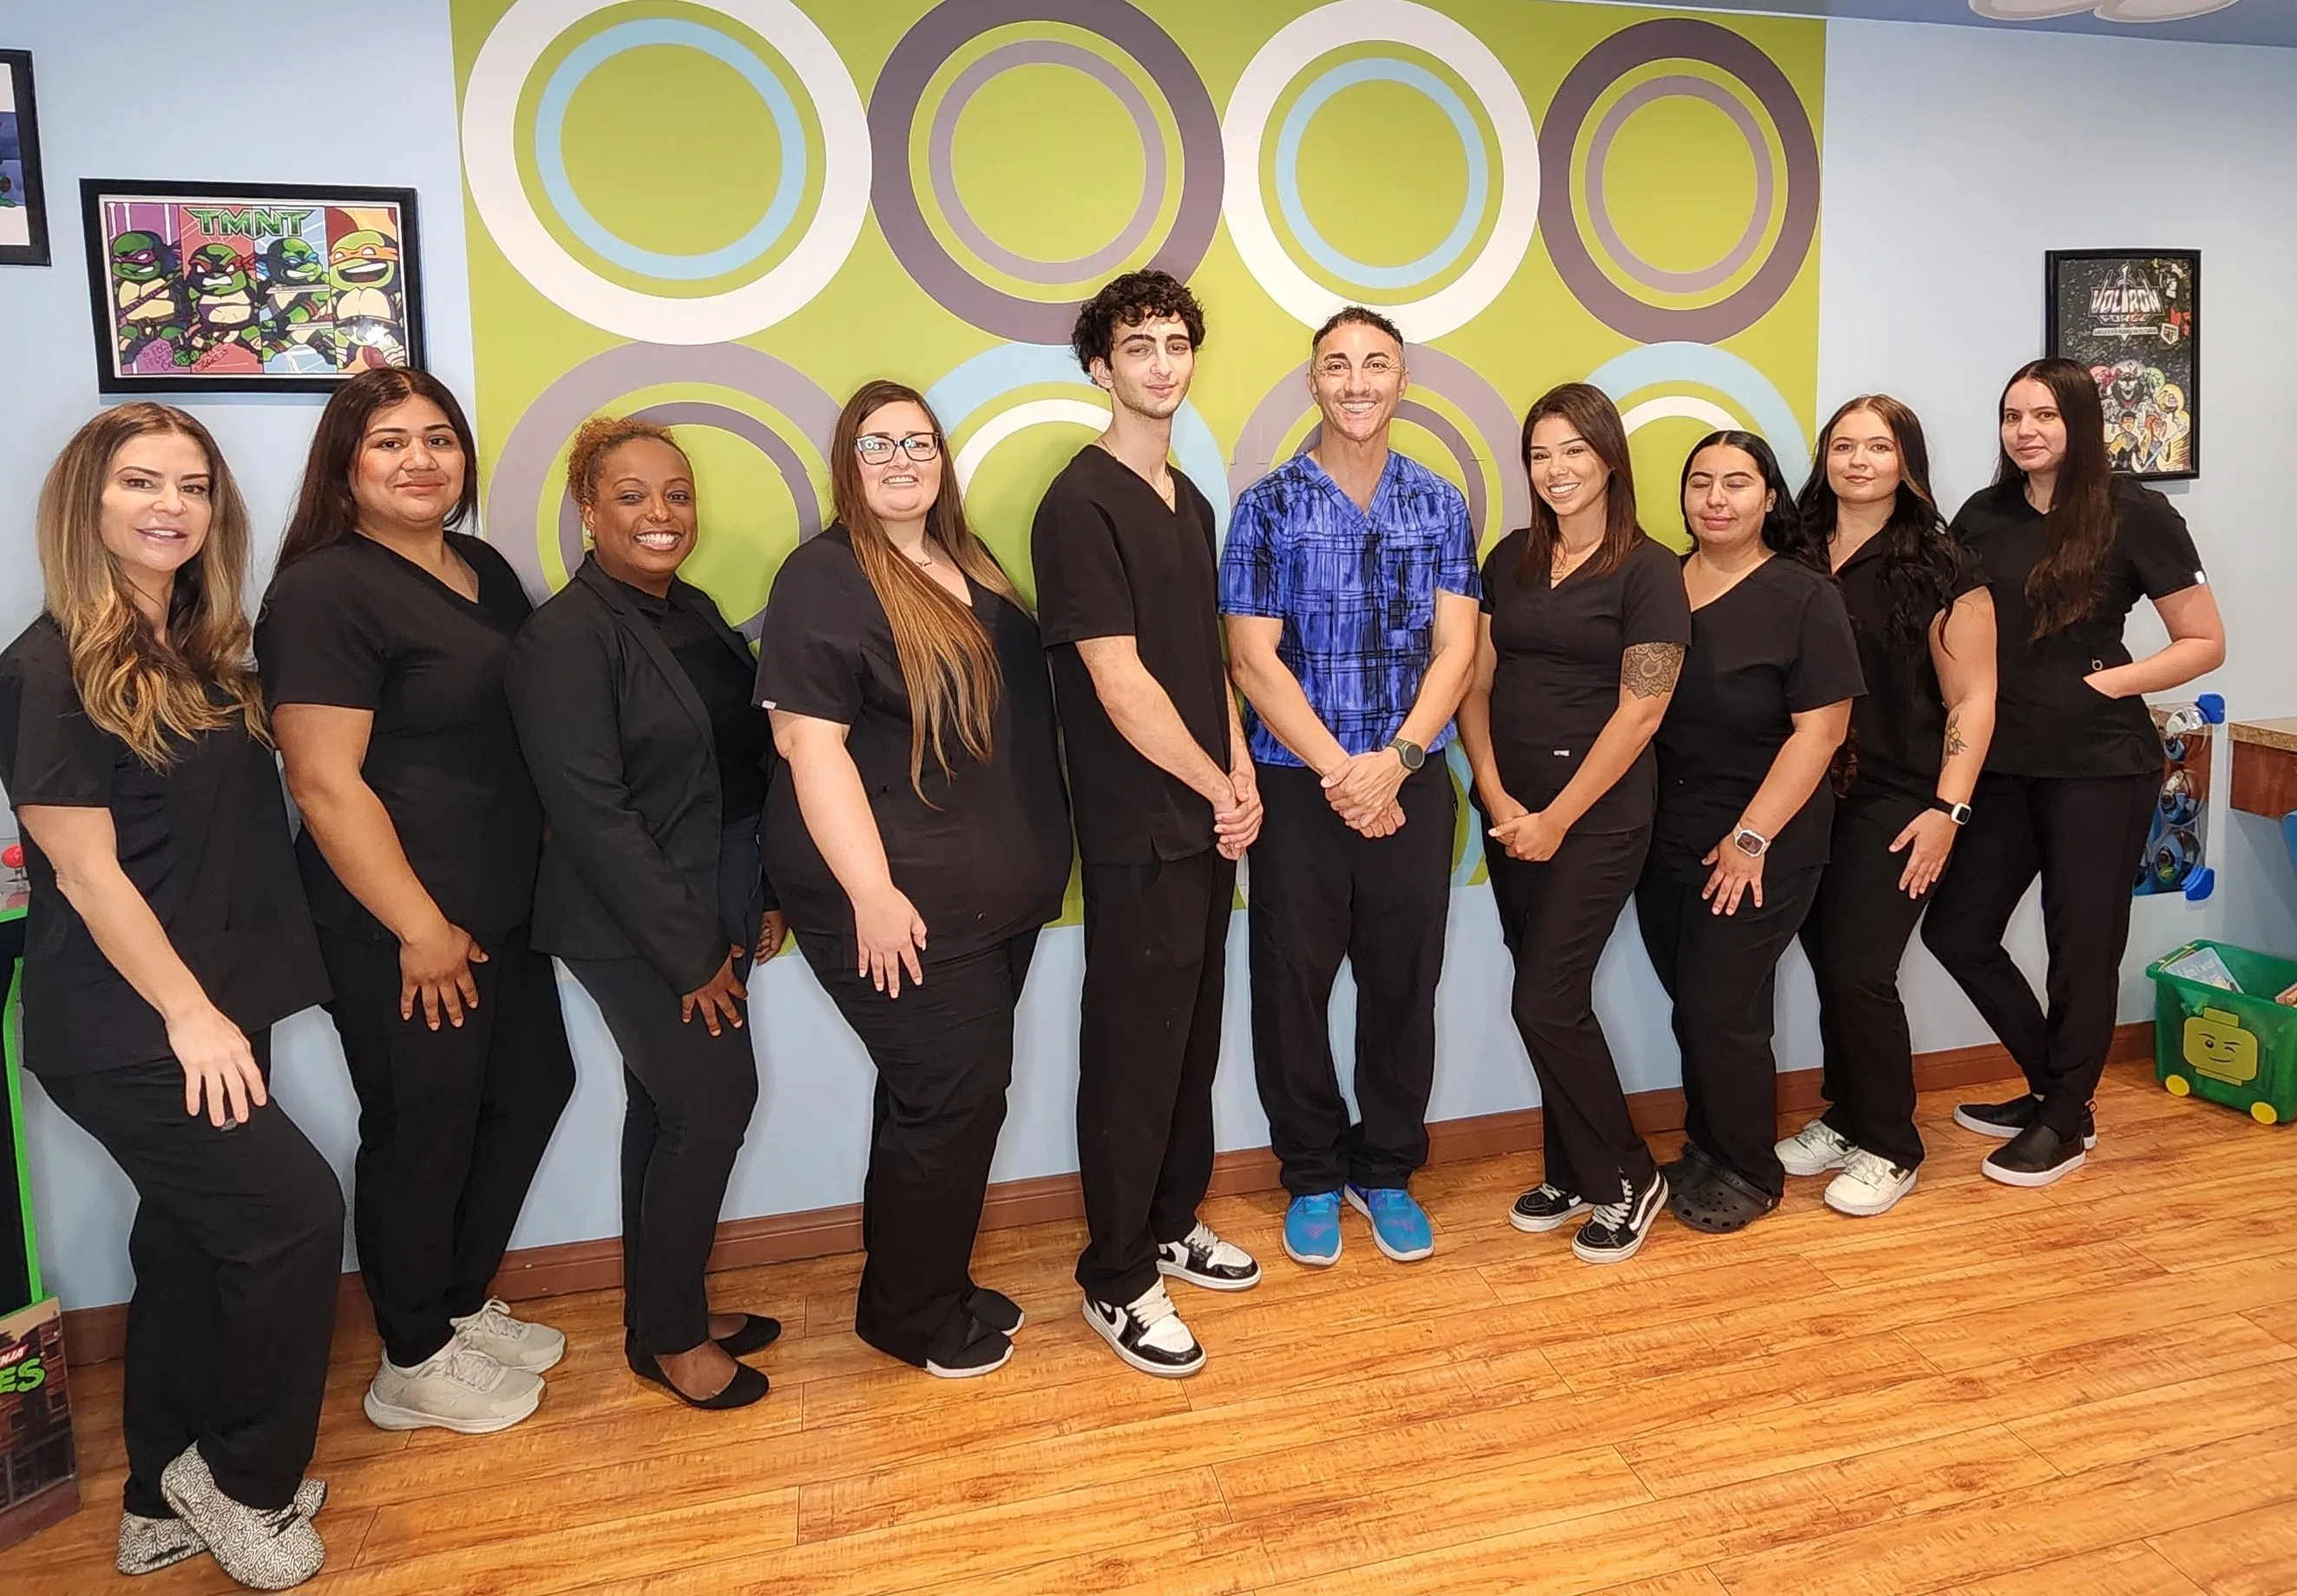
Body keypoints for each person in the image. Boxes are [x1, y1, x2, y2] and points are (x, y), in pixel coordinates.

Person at [0, 406, 338, 1589]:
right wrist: (189, 1016)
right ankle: (242, 1481)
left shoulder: (193, 651)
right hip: (134, 1022)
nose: (171, 506)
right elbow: (86, 873)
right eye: (141, 482)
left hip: (214, 1003)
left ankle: (155, 1500)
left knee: (192, 1240)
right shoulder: (46, 666)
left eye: (193, 486)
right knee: (294, 1220)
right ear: (86, 504)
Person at [257, 369, 574, 1435]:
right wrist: (419, 927)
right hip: (397, 928)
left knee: (530, 1090)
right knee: (421, 1127)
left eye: (438, 438)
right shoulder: (322, 592)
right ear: (345, 463)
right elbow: (322, 782)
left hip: (502, 912)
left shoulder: (480, 569)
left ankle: (453, 1300)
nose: (420, 459)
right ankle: (409, 1358)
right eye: (389, 440)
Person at [758, 380, 1069, 1378]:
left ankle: (931, 1279)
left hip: (991, 891)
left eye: (919, 442)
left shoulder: (963, 559)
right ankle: (907, 1315)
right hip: (904, 898)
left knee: (942, 1101)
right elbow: (809, 746)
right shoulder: (824, 576)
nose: (902, 460)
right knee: (951, 1100)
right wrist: (871, 894)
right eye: (878, 443)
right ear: (847, 462)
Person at [504, 417, 785, 1410]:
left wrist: (762, 895)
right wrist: (690, 952)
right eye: (630, 495)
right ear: (588, 511)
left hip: (716, 891)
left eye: (675, 493)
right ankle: (670, 1337)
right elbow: (592, 814)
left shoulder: (689, 609)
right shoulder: (564, 638)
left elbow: (736, 767)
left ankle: (662, 1312)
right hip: (634, 923)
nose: (659, 513)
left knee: (668, 1110)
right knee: (711, 1105)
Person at [1031, 271, 1263, 1379]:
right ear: (1100, 368)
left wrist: (1239, 770)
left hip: (1207, 817)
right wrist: (1214, 786)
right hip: (1139, 827)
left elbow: (1201, 657)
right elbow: (1119, 685)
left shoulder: (1191, 500)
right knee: (1132, 1057)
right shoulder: (1077, 505)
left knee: (1189, 1041)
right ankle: (1117, 1276)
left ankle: (1172, 1222)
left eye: (1175, 343)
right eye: (1138, 347)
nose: (1162, 363)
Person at [1922, 358, 2223, 1186]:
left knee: (2080, 949)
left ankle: (2061, 1118)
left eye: (2044, 415)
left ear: (2080, 422)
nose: (2024, 430)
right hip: (2002, 763)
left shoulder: (2134, 511)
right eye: (2012, 415)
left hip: (2099, 764)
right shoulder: (1982, 514)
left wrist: (2107, 684)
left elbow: (2203, 640)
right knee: (1956, 930)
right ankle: (2057, 1090)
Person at [1222, 305, 1480, 1268]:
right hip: (1301, 788)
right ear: (1313, 383)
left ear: (1401, 381)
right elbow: (1252, 660)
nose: (1357, 381)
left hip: (1412, 781)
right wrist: (1343, 773)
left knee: (1403, 985)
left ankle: (1386, 1169)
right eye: (1337, 365)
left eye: (1376, 364)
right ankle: (1311, 1173)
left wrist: (1398, 761)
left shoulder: (1439, 503)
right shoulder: (1267, 506)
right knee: (1289, 987)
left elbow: (1458, 648)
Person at [1454, 383, 1688, 1264]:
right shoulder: (1509, 558)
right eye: (1540, 454)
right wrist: (1496, 795)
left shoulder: (1648, 569)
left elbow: (1642, 711)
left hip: (1597, 819)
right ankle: (1573, 1166)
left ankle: (1628, 1174)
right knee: (1545, 993)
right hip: (1511, 814)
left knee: (1545, 999)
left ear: (1608, 459)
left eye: (1573, 451)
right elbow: (1474, 681)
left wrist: (1556, 817)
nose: (1555, 470)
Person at [1776, 397, 1996, 1216]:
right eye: (1843, 445)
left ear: (1907, 460)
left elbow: (1972, 698)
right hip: (1803, 790)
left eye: (1877, 446)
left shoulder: (1943, 564)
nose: (1858, 461)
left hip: (1899, 795)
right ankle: (1846, 1114)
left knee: (1859, 967)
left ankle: (1892, 1144)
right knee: (1824, 958)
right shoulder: (1793, 547)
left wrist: (1948, 810)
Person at [1640, 431, 1862, 1235]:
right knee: (1691, 1003)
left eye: (1736, 483)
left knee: (1720, 1006)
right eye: (1700, 481)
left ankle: (1748, 1169)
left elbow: (1821, 731)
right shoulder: (1659, 584)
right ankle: (1708, 1145)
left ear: (1769, 497)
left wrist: (1750, 838)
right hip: (1666, 834)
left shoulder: (1804, 597)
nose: (1715, 498)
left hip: (1764, 837)